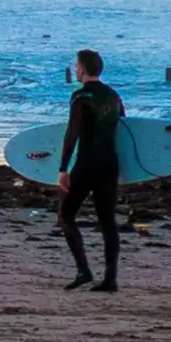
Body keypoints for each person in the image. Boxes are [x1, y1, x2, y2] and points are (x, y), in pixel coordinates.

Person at [57, 48, 125, 292]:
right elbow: (124, 132)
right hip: (110, 165)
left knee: (65, 215)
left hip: (86, 165)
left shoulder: (79, 96)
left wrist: (63, 168)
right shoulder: (114, 96)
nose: (75, 69)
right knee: (108, 221)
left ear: (83, 68)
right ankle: (110, 279)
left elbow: (72, 133)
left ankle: (83, 270)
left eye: (76, 65)